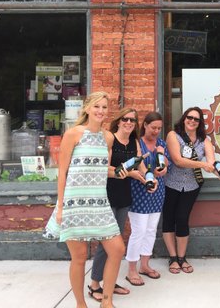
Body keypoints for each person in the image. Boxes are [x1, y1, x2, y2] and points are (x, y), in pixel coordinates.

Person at [43, 91, 125, 308]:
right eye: (96, 106)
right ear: (87, 108)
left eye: (105, 107)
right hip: (74, 203)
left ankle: (106, 301)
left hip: (99, 202)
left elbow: (102, 169)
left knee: (117, 249)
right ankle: (81, 304)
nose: (100, 111)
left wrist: (121, 172)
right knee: (79, 258)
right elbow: (62, 172)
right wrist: (60, 207)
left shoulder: (108, 137)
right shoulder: (73, 134)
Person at [89, 107, 150, 298]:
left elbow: (141, 165)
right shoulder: (110, 139)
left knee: (116, 242)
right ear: (118, 120)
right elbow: (103, 169)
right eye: (125, 119)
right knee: (107, 242)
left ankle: (109, 281)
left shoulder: (134, 141)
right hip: (107, 195)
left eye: (133, 120)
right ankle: (94, 284)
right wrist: (127, 173)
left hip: (124, 196)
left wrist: (148, 179)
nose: (129, 123)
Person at [162, 107, 220, 274]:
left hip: (192, 185)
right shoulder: (173, 135)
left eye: (196, 119)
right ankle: (172, 258)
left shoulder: (204, 140)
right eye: (189, 117)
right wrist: (202, 165)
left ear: (200, 123)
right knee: (169, 219)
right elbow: (178, 161)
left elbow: (212, 162)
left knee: (182, 218)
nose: (192, 121)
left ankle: (181, 257)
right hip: (171, 183)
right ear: (184, 118)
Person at [125, 111, 168, 284]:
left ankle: (145, 265)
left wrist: (162, 167)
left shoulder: (161, 144)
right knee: (139, 231)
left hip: (158, 192)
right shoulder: (136, 144)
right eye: (153, 127)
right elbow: (133, 167)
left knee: (151, 230)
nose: (156, 131)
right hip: (138, 192)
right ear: (145, 125)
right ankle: (131, 270)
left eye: (159, 128)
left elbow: (165, 166)